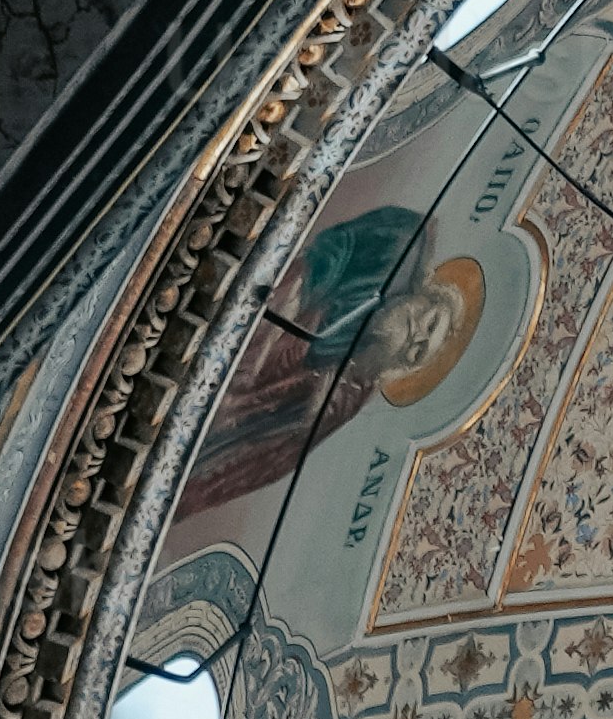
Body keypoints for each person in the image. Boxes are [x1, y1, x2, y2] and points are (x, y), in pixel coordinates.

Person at [167, 209, 484, 536]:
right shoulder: (396, 252)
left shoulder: (344, 398)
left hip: (205, 409)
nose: (418, 335)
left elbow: (266, 458)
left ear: (400, 365)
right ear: (424, 294)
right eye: (431, 321)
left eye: (418, 350)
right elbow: (322, 257)